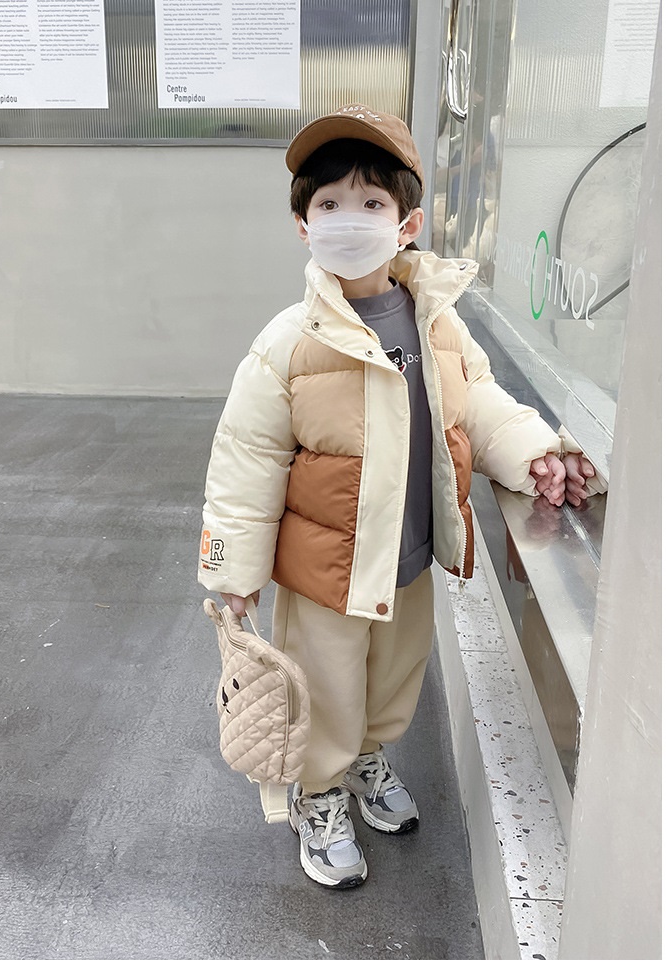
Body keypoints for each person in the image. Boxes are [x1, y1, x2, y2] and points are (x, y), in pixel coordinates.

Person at [197, 103, 597, 890]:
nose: (350, 218)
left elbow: (479, 403)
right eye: (329, 203)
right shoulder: (288, 342)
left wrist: (538, 455)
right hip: (326, 571)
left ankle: (366, 758)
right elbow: (246, 460)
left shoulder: (438, 324)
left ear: (407, 223)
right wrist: (232, 570)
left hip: (410, 556)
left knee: (391, 679)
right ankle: (319, 790)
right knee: (326, 687)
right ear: (304, 227)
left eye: (371, 201)